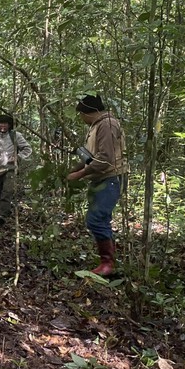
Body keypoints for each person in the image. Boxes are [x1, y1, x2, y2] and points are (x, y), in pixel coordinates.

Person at [66, 94, 127, 276]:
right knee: (98, 219)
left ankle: (108, 264)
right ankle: (108, 262)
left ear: (88, 113)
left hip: (111, 177)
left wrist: (79, 174)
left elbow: (105, 159)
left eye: (81, 115)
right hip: (101, 178)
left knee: (96, 219)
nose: (81, 119)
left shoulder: (107, 125)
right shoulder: (97, 125)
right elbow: (91, 156)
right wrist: (72, 170)